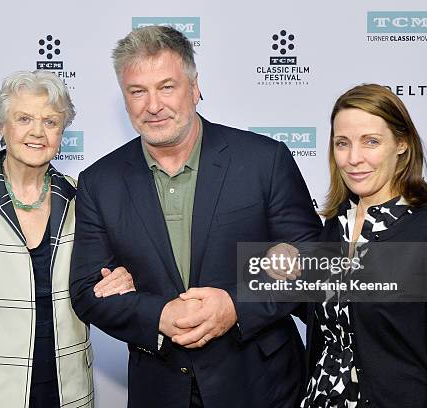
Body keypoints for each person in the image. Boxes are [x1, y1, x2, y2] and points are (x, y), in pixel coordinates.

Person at [69, 26, 322, 408]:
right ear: (124, 99)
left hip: (263, 386)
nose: (153, 105)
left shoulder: (263, 161)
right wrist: (159, 314)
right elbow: (88, 291)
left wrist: (235, 305)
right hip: (160, 389)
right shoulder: (98, 182)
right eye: (138, 91)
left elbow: (311, 259)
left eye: (167, 87)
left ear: (195, 87)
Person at [0, 70, 133, 408]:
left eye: (50, 122)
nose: (37, 131)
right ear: (2, 127)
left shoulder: (81, 198)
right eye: (24, 119)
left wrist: (120, 280)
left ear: (62, 133)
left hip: (70, 392)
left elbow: (104, 279)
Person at [297, 84, 427, 407]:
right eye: (342, 143)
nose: (354, 158)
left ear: (402, 144)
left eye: (371, 142)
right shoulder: (334, 228)